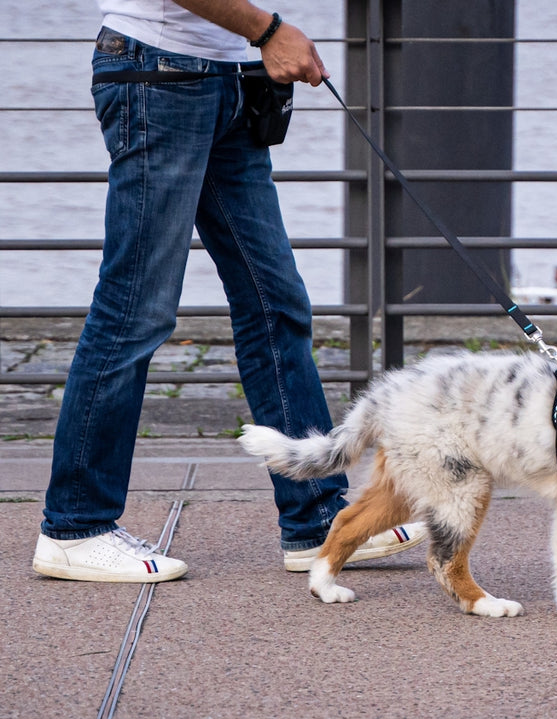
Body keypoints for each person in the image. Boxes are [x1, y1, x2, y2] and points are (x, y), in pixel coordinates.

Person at [32, 0, 425, 582]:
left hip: (225, 77)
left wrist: (257, 41)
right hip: (157, 76)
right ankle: (75, 526)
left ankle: (318, 522)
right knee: (135, 309)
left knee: (277, 305)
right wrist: (269, 31)